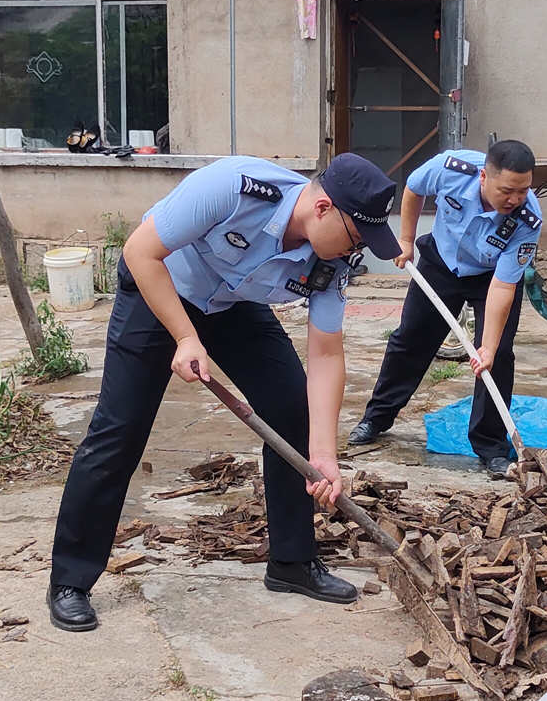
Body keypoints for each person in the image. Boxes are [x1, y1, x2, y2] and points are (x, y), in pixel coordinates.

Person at [46, 153, 402, 633]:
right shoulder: (232, 187)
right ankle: (70, 581)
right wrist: (185, 337)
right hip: (161, 290)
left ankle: (292, 563)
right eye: (355, 237)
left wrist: (324, 454)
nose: (353, 251)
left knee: (290, 407)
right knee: (119, 431)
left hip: (232, 304)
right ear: (322, 209)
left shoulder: (331, 262)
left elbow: (326, 355)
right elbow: (139, 252)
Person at [348, 140, 541, 479]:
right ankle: (375, 419)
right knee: (410, 341)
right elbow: (413, 188)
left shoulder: (527, 220)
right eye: (508, 191)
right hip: (441, 263)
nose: (516, 199)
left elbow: (503, 286)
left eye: (523, 191)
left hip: (491, 278)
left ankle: (491, 446)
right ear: (484, 176)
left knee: (498, 358)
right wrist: (406, 240)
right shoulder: (450, 170)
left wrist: (488, 348)